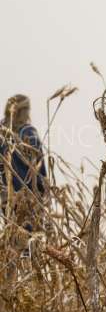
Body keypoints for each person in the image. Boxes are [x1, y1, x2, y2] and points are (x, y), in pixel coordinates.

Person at [1, 94, 47, 228]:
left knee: (12, 235)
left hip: (7, 198)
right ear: (23, 111)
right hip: (29, 197)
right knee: (30, 235)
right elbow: (40, 167)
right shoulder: (29, 132)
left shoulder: (2, 132)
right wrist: (43, 189)